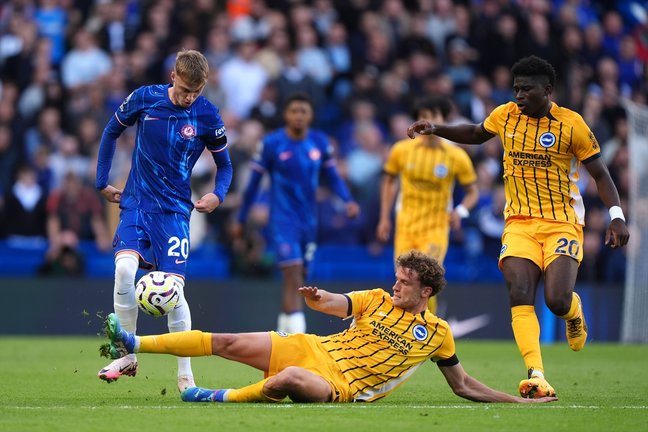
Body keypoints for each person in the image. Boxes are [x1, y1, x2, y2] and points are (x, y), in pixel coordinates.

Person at [407, 55, 630, 398]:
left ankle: (573, 311)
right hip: (518, 223)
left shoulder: (572, 124)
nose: (519, 95)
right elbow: (477, 133)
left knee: (556, 299)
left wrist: (616, 215)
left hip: (562, 223)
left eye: (527, 89)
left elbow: (600, 174)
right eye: (516, 89)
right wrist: (438, 129)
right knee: (519, 293)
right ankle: (536, 374)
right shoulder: (505, 115)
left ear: (548, 90)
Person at [100, 250, 557, 404]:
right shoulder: (376, 299)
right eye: (396, 278)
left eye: (404, 283)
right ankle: (134, 339)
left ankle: (211, 397)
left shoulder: (437, 334)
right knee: (227, 340)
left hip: (337, 383)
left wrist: (515, 401)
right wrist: (319, 299)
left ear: (425, 293)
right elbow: (338, 305)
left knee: (291, 382)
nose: (395, 286)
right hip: (311, 347)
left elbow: (462, 386)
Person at [95, 49, 233, 392]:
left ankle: (185, 376)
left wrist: (219, 194)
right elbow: (111, 132)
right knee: (124, 270)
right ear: (174, 75)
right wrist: (101, 181)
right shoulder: (145, 99)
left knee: (173, 291)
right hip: (137, 203)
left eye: (196, 92)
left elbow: (225, 166)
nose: (189, 98)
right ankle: (126, 355)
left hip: (174, 212)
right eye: (186, 89)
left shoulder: (207, 114)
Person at [233, 93, 359, 334]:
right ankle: (298, 335)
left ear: (310, 116)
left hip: (309, 222)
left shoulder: (320, 142)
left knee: (298, 276)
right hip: (282, 220)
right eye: (294, 111)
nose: (299, 116)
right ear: (286, 115)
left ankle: (283, 331)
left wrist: (348, 200)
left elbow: (332, 175)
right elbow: (252, 186)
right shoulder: (272, 143)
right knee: (293, 274)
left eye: (304, 111)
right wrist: (241, 218)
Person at [377, 95, 478, 314]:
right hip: (406, 226)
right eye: (423, 116)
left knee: (425, 280)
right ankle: (413, 330)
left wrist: (460, 211)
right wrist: (384, 218)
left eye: (433, 115)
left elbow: (472, 191)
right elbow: (388, 181)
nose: (427, 120)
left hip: (436, 228)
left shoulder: (456, 155)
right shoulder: (402, 150)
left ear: (443, 119)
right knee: (405, 282)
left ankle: (427, 327)